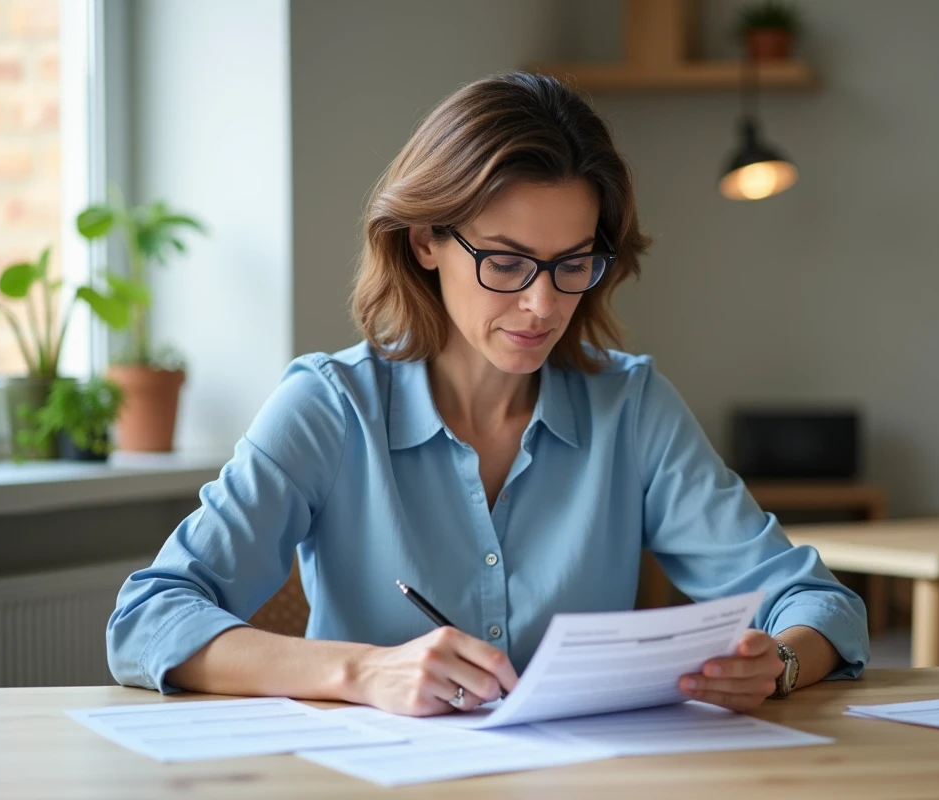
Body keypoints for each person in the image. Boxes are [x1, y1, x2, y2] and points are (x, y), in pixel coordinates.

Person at [106, 72, 869, 717]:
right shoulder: (330, 406)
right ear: (426, 241)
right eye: (506, 262)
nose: (543, 303)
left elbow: (816, 602)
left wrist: (779, 664)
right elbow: (147, 619)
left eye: (574, 262)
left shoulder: (630, 407)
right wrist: (364, 673)